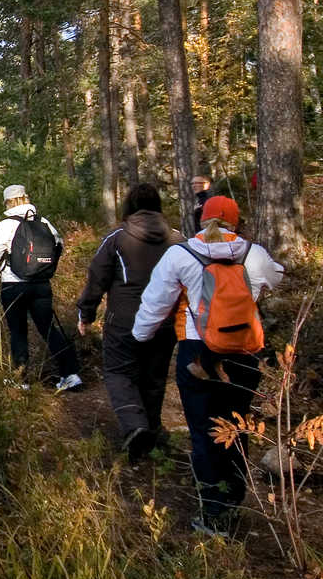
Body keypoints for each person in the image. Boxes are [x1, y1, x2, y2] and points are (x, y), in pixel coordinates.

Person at [131, 195, 284, 534]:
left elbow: (155, 303)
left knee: (204, 432)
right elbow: (278, 278)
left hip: (197, 353)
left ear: (202, 220)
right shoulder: (253, 253)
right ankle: (233, 502)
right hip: (244, 354)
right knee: (237, 427)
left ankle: (213, 512)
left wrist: (139, 337)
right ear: (235, 220)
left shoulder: (181, 254)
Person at [76, 183, 179, 461]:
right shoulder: (178, 240)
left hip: (123, 319)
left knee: (119, 373)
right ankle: (152, 428)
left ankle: (136, 427)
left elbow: (97, 278)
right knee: (154, 376)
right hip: (165, 322)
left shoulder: (117, 238)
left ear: (129, 207)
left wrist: (85, 314)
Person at [0, 184, 82, 392]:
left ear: (7, 202)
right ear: (25, 198)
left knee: (18, 332)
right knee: (48, 328)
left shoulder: (6, 224)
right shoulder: (43, 221)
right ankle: (70, 374)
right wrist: (45, 269)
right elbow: (59, 245)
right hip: (41, 285)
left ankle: (21, 380)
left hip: (13, 284)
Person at [187, 174, 219, 238]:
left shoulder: (210, 200)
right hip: (200, 237)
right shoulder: (199, 200)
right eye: (192, 183)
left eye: (197, 183)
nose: (194, 186)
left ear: (206, 185)